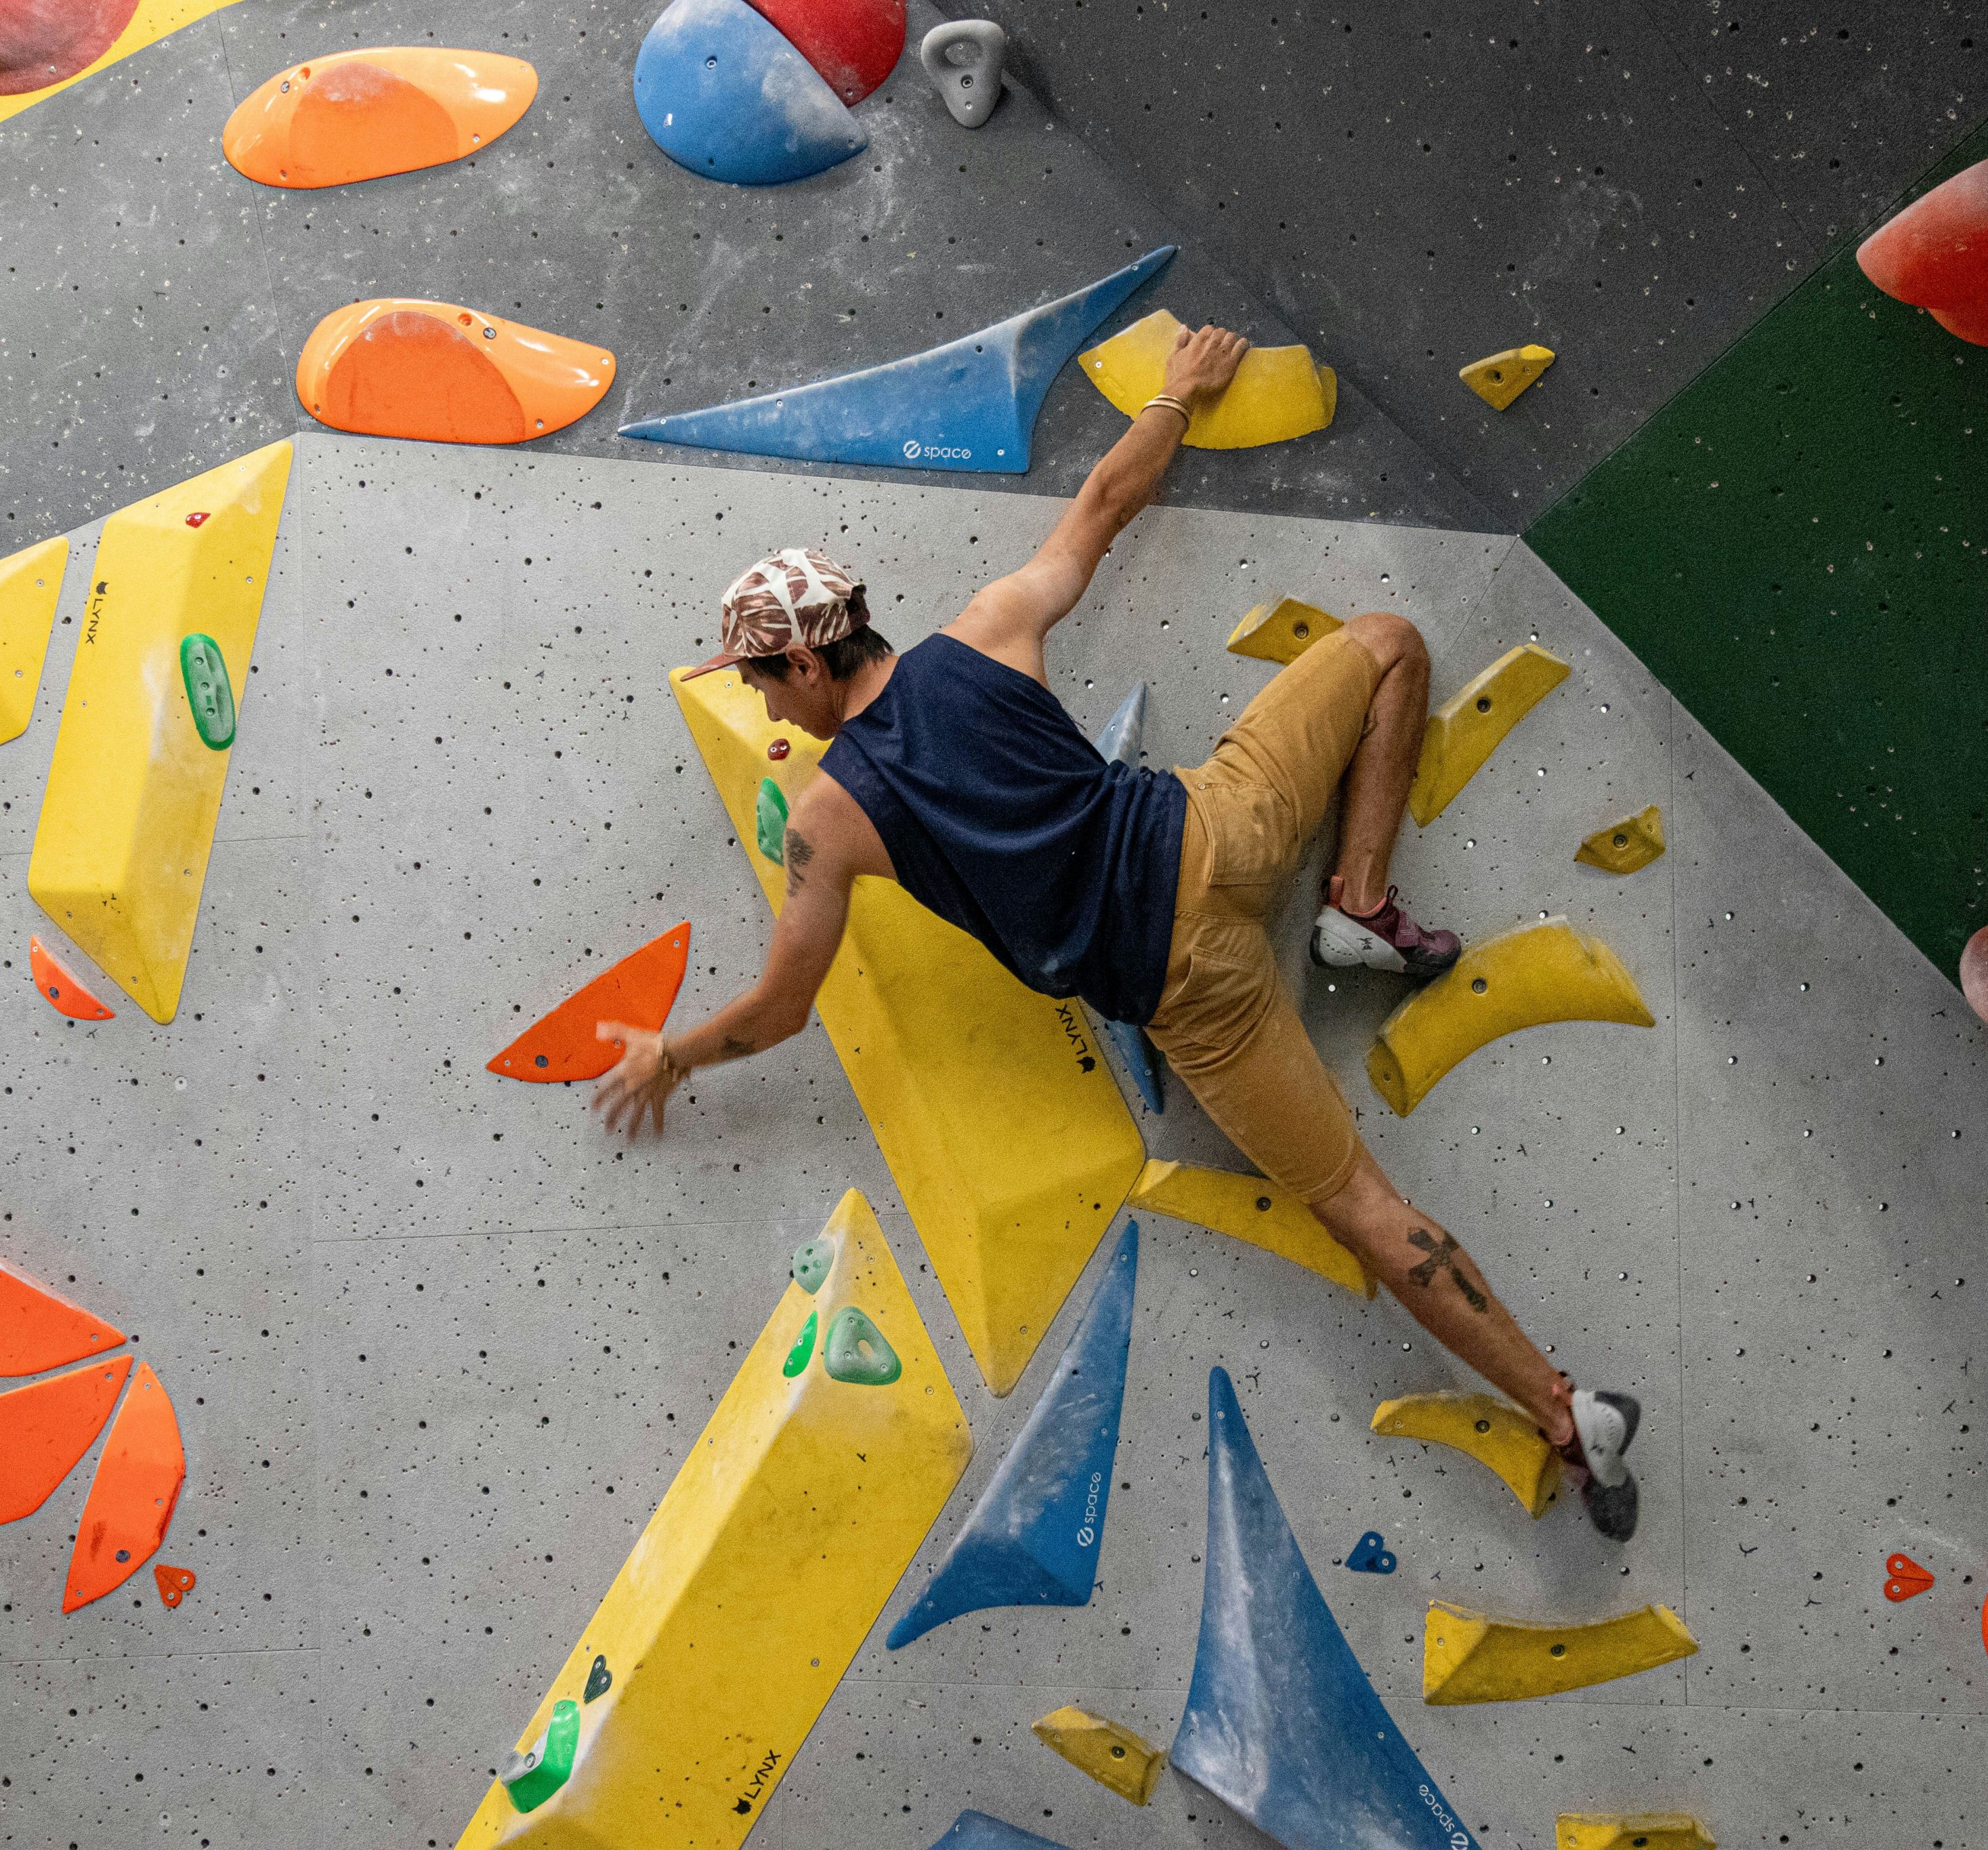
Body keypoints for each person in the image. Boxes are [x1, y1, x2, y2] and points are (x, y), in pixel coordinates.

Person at [596, 324, 1645, 1539]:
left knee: (1357, 1200)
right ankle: (1360, 904)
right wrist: (1177, 397)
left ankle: (1565, 1417)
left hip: (1187, 988)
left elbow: (783, 1009)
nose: (765, 706)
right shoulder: (987, 627)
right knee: (1388, 645)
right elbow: (1100, 505)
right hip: (1220, 831)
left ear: (808, 663)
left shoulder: (831, 822)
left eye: (761, 681)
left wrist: (674, 1055)